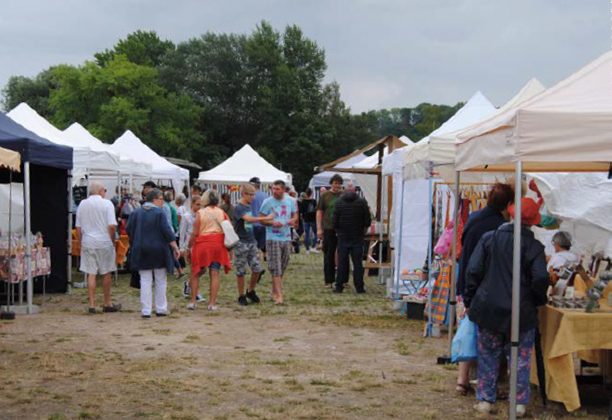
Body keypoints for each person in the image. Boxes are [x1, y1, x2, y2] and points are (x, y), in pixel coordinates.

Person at [464, 197, 549, 417]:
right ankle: (519, 403)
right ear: (532, 223)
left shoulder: (489, 239)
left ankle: (485, 400)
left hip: (489, 307)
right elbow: (540, 277)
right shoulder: (534, 246)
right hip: (521, 311)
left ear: (511, 214)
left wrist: (470, 300)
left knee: (488, 355)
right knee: (520, 358)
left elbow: (473, 271)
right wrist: (537, 299)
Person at [455, 183, 514, 396]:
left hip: (466, 282)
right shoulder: (499, 226)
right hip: (483, 286)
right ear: (508, 204)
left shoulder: (474, 217)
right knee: (488, 337)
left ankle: (462, 380)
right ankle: (487, 383)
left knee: (468, 331)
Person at [126, 188, 180, 318]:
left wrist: (136, 241)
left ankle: (146, 310)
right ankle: (161, 309)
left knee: (145, 280)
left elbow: (128, 229)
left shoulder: (136, 213)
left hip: (141, 249)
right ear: (154, 199)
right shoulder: (159, 213)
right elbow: (167, 231)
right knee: (161, 279)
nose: (163, 202)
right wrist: (175, 247)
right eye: (161, 199)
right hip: (159, 250)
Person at [75, 181, 121, 314]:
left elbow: (78, 227)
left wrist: (81, 241)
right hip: (104, 242)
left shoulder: (82, 204)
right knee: (106, 272)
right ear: (101, 191)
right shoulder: (107, 204)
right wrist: (112, 240)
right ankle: (107, 302)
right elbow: (112, 226)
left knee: (91, 273)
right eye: (105, 190)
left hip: (88, 241)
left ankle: (92, 304)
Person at [189, 190, 232, 311]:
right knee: (215, 273)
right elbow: (228, 227)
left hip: (202, 244)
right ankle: (212, 303)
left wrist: (189, 246)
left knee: (196, 272)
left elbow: (195, 232)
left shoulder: (200, 213)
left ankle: (193, 301)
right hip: (217, 244)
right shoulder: (221, 212)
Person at [232, 183, 273, 305]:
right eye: (251, 195)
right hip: (241, 242)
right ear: (244, 194)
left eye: (254, 194)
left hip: (251, 241)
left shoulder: (249, 206)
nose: (253, 197)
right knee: (241, 270)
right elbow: (248, 219)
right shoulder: (239, 207)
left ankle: (250, 290)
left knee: (257, 269)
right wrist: (264, 219)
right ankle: (241, 295)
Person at [259, 180, 298, 305]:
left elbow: (295, 216)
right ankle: (279, 296)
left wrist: (292, 221)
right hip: (272, 237)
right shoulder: (267, 202)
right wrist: (271, 222)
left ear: (283, 190)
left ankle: (274, 291)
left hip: (286, 237)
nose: (274, 191)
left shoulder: (291, 201)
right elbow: (261, 219)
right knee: (276, 267)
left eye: (277, 189)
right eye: (273, 189)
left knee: (283, 265)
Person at [332, 182, 371, 293]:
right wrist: (362, 231)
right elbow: (367, 220)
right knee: (357, 263)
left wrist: (338, 231)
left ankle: (339, 286)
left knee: (342, 263)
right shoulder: (362, 202)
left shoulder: (338, 202)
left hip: (343, 236)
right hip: (357, 236)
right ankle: (359, 287)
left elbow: (334, 222)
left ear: (344, 190)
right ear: (355, 190)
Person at [317, 174, 343, 287]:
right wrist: (319, 228)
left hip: (342, 228)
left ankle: (342, 279)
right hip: (328, 227)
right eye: (335, 183)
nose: (337, 185)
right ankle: (329, 280)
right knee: (329, 254)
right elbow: (319, 212)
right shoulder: (325, 196)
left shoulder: (344, 195)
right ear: (331, 183)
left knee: (343, 254)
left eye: (339, 183)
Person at [179, 194, 205, 302]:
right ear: (192, 204)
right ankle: (196, 293)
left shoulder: (202, 215)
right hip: (190, 246)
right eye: (197, 204)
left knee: (203, 269)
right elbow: (182, 232)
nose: (199, 207)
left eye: (201, 205)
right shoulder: (186, 216)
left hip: (201, 244)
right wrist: (182, 248)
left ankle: (188, 284)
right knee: (195, 269)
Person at [250, 177, 268, 257]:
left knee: (254, 242)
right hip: (264, 222)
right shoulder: (266, 195)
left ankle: (256, 255)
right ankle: (265, 255)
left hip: (253, 222)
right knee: (263, 241)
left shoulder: (250, 196)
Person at [300, 188, 318, 254]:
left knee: (307, 234)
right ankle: (313, 247)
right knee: (316, 233)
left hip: (306, 220)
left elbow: (301, 211)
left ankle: (307, 249)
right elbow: (316, 210)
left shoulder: (303, 201)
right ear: (312, 193)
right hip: (313, 219)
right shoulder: (314, 201)